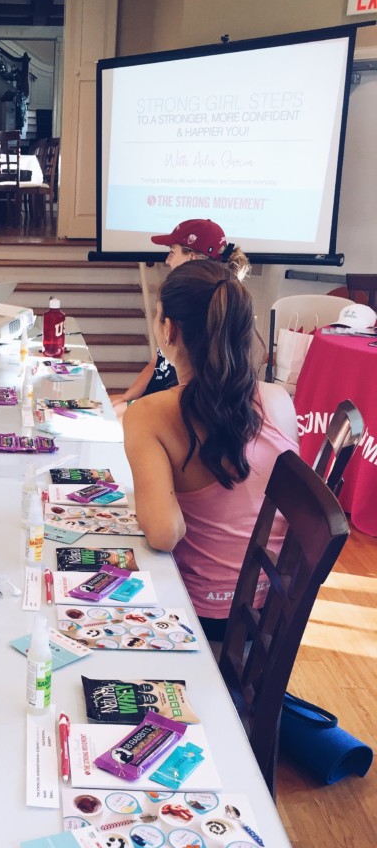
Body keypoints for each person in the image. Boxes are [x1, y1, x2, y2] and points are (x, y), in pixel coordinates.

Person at [123, 260, 298, 641]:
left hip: (198, 616)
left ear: (168, 329)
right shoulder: (278, 401)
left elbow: (165, 533)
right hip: (266, 610)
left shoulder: (150, 415)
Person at [112, 219, 250, 415]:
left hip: (179, 409)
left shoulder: (206, 307)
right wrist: (126, 398)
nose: (167, 260)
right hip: (159, 403)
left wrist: (132, 407)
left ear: (191, 257)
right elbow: (156, 361)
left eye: (172, 251)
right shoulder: (178, 297)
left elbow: (189, 394)